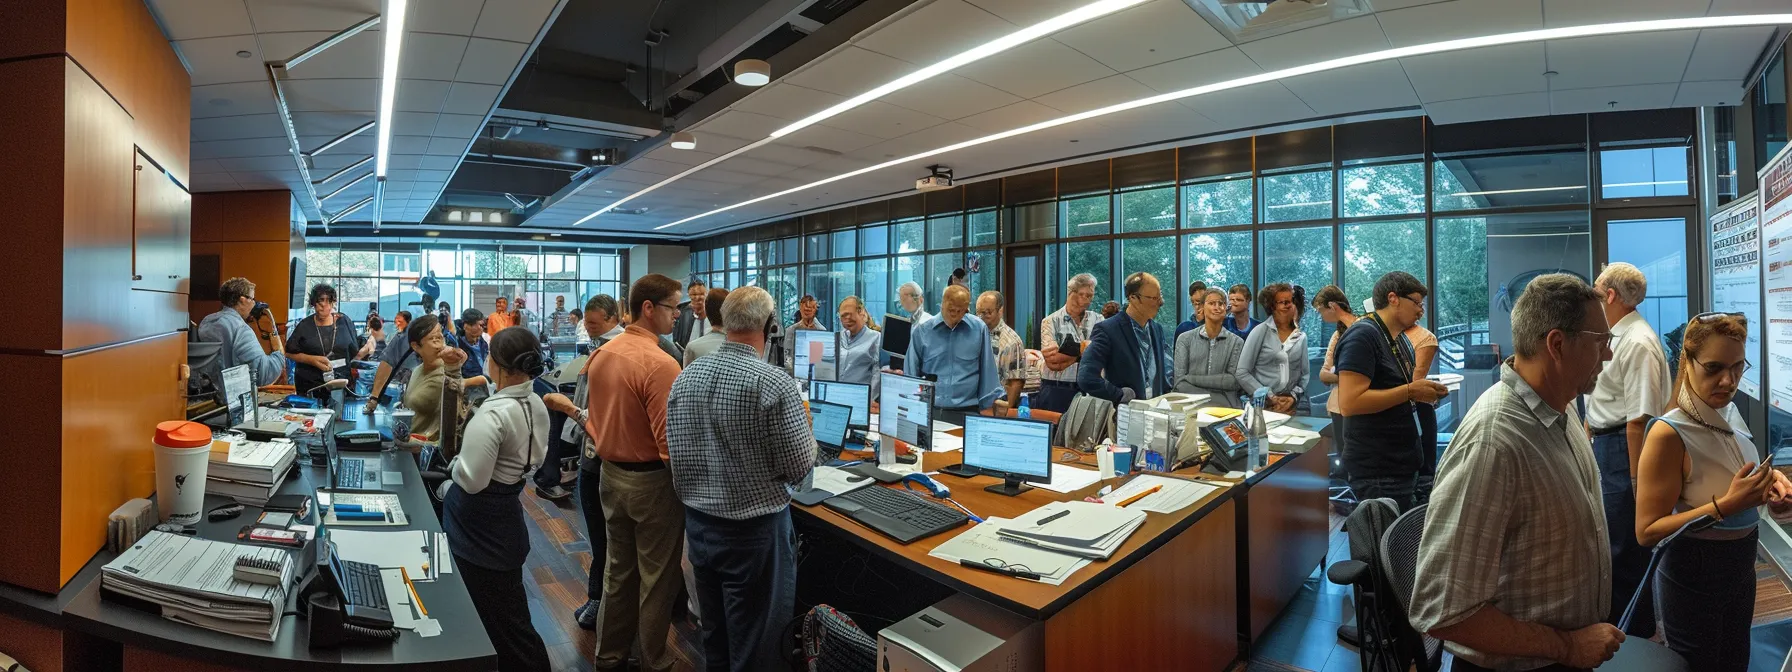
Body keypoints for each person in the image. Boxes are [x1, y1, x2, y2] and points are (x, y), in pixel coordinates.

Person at [1411, 273, 1625, 672]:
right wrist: (1566, 647)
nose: (1608, 355)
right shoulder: (1493, 443)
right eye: (1601, 342)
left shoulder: (1563, 405)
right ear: (1557, 344)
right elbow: (1441, 610)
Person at [666, 286, 815, 671]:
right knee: (757, 644)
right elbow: (800, 467)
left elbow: (677, 451)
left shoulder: (686, 377)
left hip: (699, 527)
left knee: (716, 636)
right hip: (754, 533)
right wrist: (807, 432)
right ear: (771, 326)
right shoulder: (773, 382)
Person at [1635, 313, 1792, 671]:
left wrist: (1770, 486)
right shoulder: (1667, 433)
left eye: (1738, 367)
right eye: (1714, 368)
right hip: (1694, 574)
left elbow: (1730, 475)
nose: (1729, 380)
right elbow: (1647, 531)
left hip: (1741, 565)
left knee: (1736, 660)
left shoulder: (1728, 412)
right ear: (1686, 362)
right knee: (1700, 664)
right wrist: (1726, 505)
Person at [581, 274, 685, 672]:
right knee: (657, 579)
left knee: (617, 572)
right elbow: (669, 446)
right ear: (648, 308)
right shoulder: (660, 363)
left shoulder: (603, 354)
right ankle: (653, 660)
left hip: (610, 476)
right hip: (650, 483)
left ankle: (608, 656)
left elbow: (596, 419)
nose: (677, 315)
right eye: (673, 307)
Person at [439, 326, 552, 672]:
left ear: (497, 364)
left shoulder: (492, 414)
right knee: (509, 614)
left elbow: (472, 480)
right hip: (506, 518)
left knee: (503, 623)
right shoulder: (536, 402)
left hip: (479, 525)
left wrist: (454, 469)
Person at [1584, 262, 1671, 636]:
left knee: (1624, 547)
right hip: (1609, 444)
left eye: (1596, 287)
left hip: (1625, 449)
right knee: (1613, 540)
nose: (1592, 292)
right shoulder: (1617, 334)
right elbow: (1607, 399)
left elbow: (1639, 420)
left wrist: (1638, 482)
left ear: (1611, 295)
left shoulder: (1637, 341)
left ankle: (1632, 634)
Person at [542, 294, 622, 630]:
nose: (587, 330)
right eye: (586, 324)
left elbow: (607, 413)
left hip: (605, 454)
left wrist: (571, 412)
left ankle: (600, 601)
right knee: (602, 536)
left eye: (593, 324)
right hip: (591, 450)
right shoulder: (599, 347)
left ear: (613, 317)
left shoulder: (615, 352)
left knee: (606, 539)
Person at [1334, 272, 1446, 510]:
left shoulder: (1399, 339)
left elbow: (1399, 390)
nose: (1420, 311)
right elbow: (1350, 403)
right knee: (1382, 544)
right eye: (1416, 302)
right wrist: (1410, 392)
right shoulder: (1362, 336)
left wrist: (1421, 392)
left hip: (1402, 465)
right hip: (1378, 471)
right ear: (1393, 298)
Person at [904, 285, 999, 424]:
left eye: (960, 310)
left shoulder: (979, 329)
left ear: (967, 308)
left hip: (968, 411)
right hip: (931, 410)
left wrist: (988, 408)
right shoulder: (922, 332)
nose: (954, 314)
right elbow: (910, 375)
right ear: (941, 304)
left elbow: (988, 371)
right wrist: (912, 410)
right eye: (951, 309)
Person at [1078, 273, 1171, 404]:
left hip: (1156, 411)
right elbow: (1086, 377)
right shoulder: (1108, 330)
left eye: (1160, 296)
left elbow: (1164, 374)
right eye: (1154, 298)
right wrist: (1119, 395)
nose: (1161, 303)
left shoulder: (1157, 329)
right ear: (1133, 298)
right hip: (1125, 416)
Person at [197, 277, 287, 387]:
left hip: (207, 394)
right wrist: (278, 354)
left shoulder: (206, 322)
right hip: (232, 397)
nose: (254, 303)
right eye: (252, 299)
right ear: (242, 299)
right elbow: (264, 374)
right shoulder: (241, 329)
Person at [1236, 283, 1310, 414]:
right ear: (1272, 306)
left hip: (1291, 406)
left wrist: (1292, 397)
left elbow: (1304, 375)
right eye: (1283, 302)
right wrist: (1270, 396)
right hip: (1263, 405)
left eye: (1291, 301)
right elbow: (1242, 372)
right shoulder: (1260, 331)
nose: (1289, 305)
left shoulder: (1301, 336)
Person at [401, 315, 475, 444]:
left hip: (427, 452)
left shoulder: (446, 376)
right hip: (410, 447)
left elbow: (451, 431)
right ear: (416, 346)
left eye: (440, 337)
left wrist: (454, 368)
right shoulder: (418, 370)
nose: (439, 345)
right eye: (433, 339)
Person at [285, 284, 365, 398]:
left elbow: (353, 352)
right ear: (313, 303)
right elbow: (288, 352)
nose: (323, 305)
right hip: (311, 387)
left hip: (341, 385)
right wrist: (312, 360)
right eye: (320, 301)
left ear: (333, 303)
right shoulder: (305, 326)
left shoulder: (344, 322)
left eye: (328, 301)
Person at [1038, 273, 1102, 413]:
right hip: (1056, 389)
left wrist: (1071, 351)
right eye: (1082, 294)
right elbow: (1053, 361)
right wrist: (1084, 351)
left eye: (1090, 296)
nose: (1086, 299)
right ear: (1070, 293)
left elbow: (1102, 354)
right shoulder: (1050, 321)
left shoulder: (1098, 320)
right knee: (1054, 431)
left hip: (1089, 389)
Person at [1173, 289, 1245, 408]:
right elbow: (1179, 383)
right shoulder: (1184, 339)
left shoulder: (1237, 342)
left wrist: (1190, 378)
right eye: (1211, 303)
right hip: (1190, 406)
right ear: (1202, 307)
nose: (1217, 307)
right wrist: (1215, 398)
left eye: (1221, 303)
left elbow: (1233, 382)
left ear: (1226, 309)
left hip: (1225, 409)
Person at [1405, 314, 1441, 504]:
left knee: (1424, 470)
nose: (1419, 311)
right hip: (1394, 409)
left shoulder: (1424, 337)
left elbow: (1415, 381)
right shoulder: (1379, 334)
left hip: (1416, 405)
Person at [1313, 285, 1358, 436]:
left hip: (1360, 406)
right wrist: (1349, 377)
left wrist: (1339, 377)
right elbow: (1323, 374)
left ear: (1331, 306)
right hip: (1338, 406)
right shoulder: (1337, 335)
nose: (1321, 317)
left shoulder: (1363, 329)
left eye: (1320, 311)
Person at [976, 290, 1026, 410]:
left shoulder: (1011, 341)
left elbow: (1015, 381)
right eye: (978, 313)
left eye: (987, 312)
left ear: (1000, 311)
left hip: (996, 404)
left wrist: (1007, 407)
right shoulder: (974, 333)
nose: (982, 317)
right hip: (972, 401)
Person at [835, 296, 882, 400]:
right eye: (843, 316)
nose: (847, 319)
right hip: (836, 395)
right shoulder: (838, 338)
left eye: (849, 314)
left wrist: (870, 401)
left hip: (860, 398)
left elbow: (877, 374)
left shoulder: (876, 338)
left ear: (860, 311)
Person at [681, 288, 730, 366]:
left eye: (701, 295)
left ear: (706, 309)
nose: (697, 299)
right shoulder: (745, 344)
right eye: (694, 295)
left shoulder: (693, 347)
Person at [673, 279, 708, 349]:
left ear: (706, 294)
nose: (697, 297)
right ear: (689, 294)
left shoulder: (713, 311)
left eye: (701, 294)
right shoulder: (682, 311)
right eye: (694, 294)